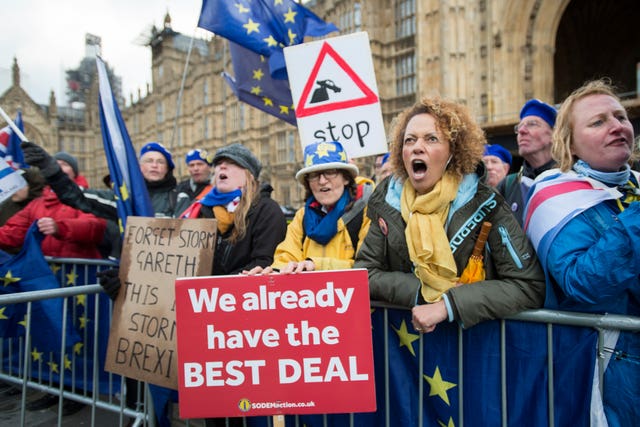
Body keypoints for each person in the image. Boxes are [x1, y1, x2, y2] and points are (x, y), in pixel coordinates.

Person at [354, 96, 545, 333]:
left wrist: (449, 304)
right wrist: (419, 292)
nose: (417, 146)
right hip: (409, 357)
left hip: (472, 349)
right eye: (409, 140)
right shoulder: (387, 204)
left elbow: (528, 286)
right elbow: (363, 274)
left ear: (453, 151)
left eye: (431, 139)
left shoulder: (486, 204)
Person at [523, 79, 639, 426]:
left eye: (620, 116)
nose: (617, 126)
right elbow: (583, 284)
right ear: (569, 144)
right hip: (605, 376)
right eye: (598, 122)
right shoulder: (555, 197)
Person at [246, 141, 373, 275]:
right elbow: (285, 258)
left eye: (330, 172)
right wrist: (274, 272)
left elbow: (367, 267)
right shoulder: (302, 216)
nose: (322, 181)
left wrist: (315, 265)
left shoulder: (367, 210)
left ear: (346, 178)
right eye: (314, 175)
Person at [0, 152, 106, 259]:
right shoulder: (36, 204)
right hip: (45, 271)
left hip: (79, 271)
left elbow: (94, 228)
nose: (58, 167)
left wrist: (60, 228)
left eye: (64, 164)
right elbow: (13, 233)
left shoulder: (88, 199)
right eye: (54, 164)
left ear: (74, 173)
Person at [496, 98, 557, 225]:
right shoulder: (507, 186)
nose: (522, 131)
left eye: (532, 124)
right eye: (519, 127)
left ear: (553, 134)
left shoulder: (571, 179)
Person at [139, 142, 178, 218]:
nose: (154, 165)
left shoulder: (179, 198)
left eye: (160, 162)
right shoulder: (125, 196)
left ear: (167, 169)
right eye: (149, 161)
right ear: (140, 166)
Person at [175, 148, 213, 216]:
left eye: (200, 164)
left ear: (209, 167)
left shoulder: (217, 188)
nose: (195, 168)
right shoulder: (180, 188)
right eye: (191, 165)